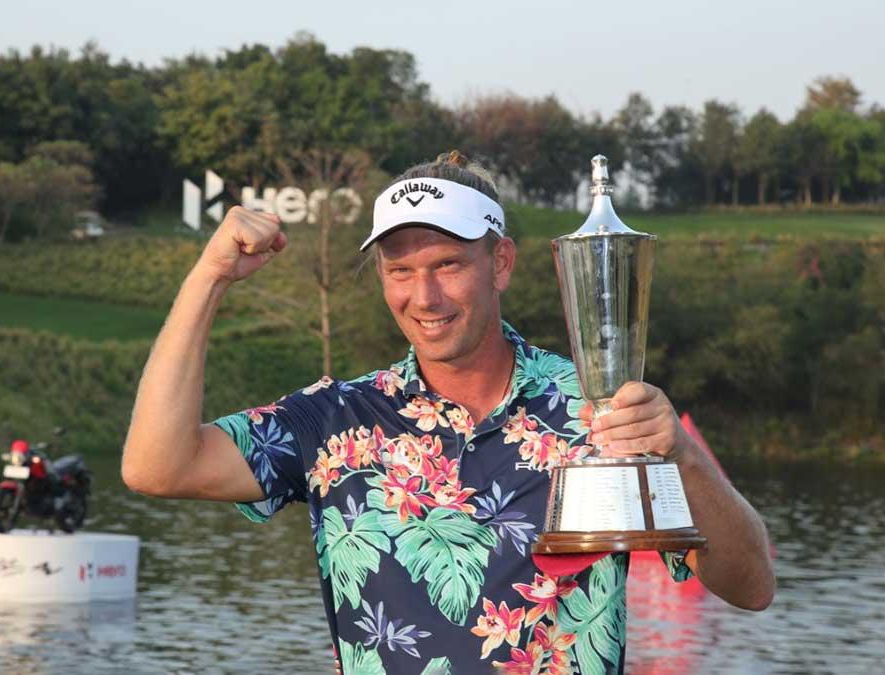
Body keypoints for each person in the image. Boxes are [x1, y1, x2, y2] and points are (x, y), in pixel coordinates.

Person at [122, 151, 774, 673]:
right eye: (399, 269)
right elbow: (157, 464)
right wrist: (209, 276)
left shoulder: (598, 410)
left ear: (502, 263)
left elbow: (751, 585)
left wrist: (682, 457)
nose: (424, 295)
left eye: (448, 263)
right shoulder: (336, 419)